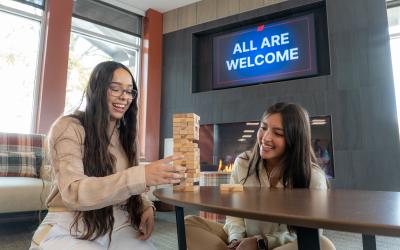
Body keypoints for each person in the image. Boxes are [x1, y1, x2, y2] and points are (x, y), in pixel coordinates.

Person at [30, 61, 185, 250]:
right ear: (97, 89)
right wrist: (142, 175)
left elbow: (128, 188)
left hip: (116, 221)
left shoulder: (127, 137)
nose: (125, 97)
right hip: (70, 223)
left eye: (129, 91)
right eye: (115, 88)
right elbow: (74, 192)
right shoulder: (68, 127)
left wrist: (145, 204)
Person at [185, 102, 336, 250]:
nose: (265, 138)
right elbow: (234, 214)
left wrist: (261, 242)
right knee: (189, 223)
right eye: (263, 128)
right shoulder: (243, 163)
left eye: (278, 133)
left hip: (279, 245)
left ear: (294, 139)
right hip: (242, 241)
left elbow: (307, 233)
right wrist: (236, 240)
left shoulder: (313, 177)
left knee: (324, 245)